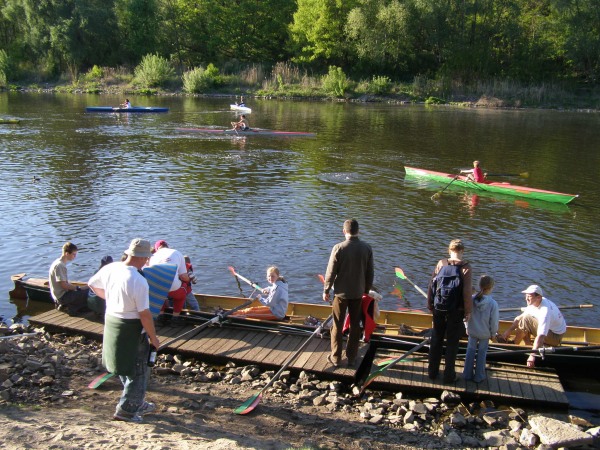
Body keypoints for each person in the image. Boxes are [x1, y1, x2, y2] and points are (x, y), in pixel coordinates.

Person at [88, 238, 160, 423]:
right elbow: (145, 315)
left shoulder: (111, 268)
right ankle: (126, 411)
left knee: (121, 363)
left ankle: (136, 401)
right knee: (139, 371)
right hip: (131, 328)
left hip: (112, 321)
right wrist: (154, 338)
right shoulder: (138, 280)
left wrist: (111, 298)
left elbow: (92, 284)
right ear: (144, 259)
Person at [323, 219, 374, 368]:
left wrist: (326, 289)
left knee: (337, 326)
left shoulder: (338, 248)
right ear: (358, 231)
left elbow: (331, 272)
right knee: (355, 326)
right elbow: (370, 272)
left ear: (344, 231)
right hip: (358, 293)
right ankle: (351, 357)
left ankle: (336, 357)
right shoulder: (367, 248)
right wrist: (366, 290)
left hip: (340, 294)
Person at [427, 239, 473, 383]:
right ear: (462, 251)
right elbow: (466, 292)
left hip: (438, 308)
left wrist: (430, 304)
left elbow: (431, 285)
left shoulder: (441, 263)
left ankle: (432, 372)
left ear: (449, 250)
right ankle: (449, 375)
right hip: (456, 310)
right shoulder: (466, 267)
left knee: (436, 339)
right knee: (452, 342)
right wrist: (468, 310)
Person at [501, 284, 566, 368]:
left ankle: (515, 344)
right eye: (526, 296)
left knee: (526, 320)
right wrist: (509, 330)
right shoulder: (534, 302)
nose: (526, 298)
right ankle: (528, 344)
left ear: (538, 297)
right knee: (521, 318)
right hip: (552, 330)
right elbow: (520, 318)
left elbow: (541, 336)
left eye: (529, 296)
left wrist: (532, 355)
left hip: (555, 337)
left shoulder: (545, 311)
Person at [463, 275, 499, 383]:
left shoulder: (472, 299)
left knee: (470, 352)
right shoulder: (493, 304)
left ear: (479, 286)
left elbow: (466, 314)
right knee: (482, 353)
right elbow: (494, 321)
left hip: (472, 331)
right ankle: (479, 376)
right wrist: (493, 333)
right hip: (485, 333)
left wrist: (466, 327)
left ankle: (467, 374)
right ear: (491, 287)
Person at [149, 240, 190, 325]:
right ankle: (175, 318)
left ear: (157, 248)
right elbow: (183, 276)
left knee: (159, 293)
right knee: (181, 294)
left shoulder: (152, 256)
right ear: (167, 246)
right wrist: (188, 280)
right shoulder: (177, 253)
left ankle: (160, 316)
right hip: (173, 287)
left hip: (157, 287)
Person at [48, 242, 90, 315]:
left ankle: (70, 307)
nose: (75, 256)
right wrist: (78, 288)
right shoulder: (60, 266)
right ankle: (72, 309)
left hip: (58, 295)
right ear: (67, 253)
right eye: (74, 254)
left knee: (84, 290)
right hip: (62, 297)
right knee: (87, 292)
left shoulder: (57, 262)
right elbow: (64, 285)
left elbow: (63, 283)